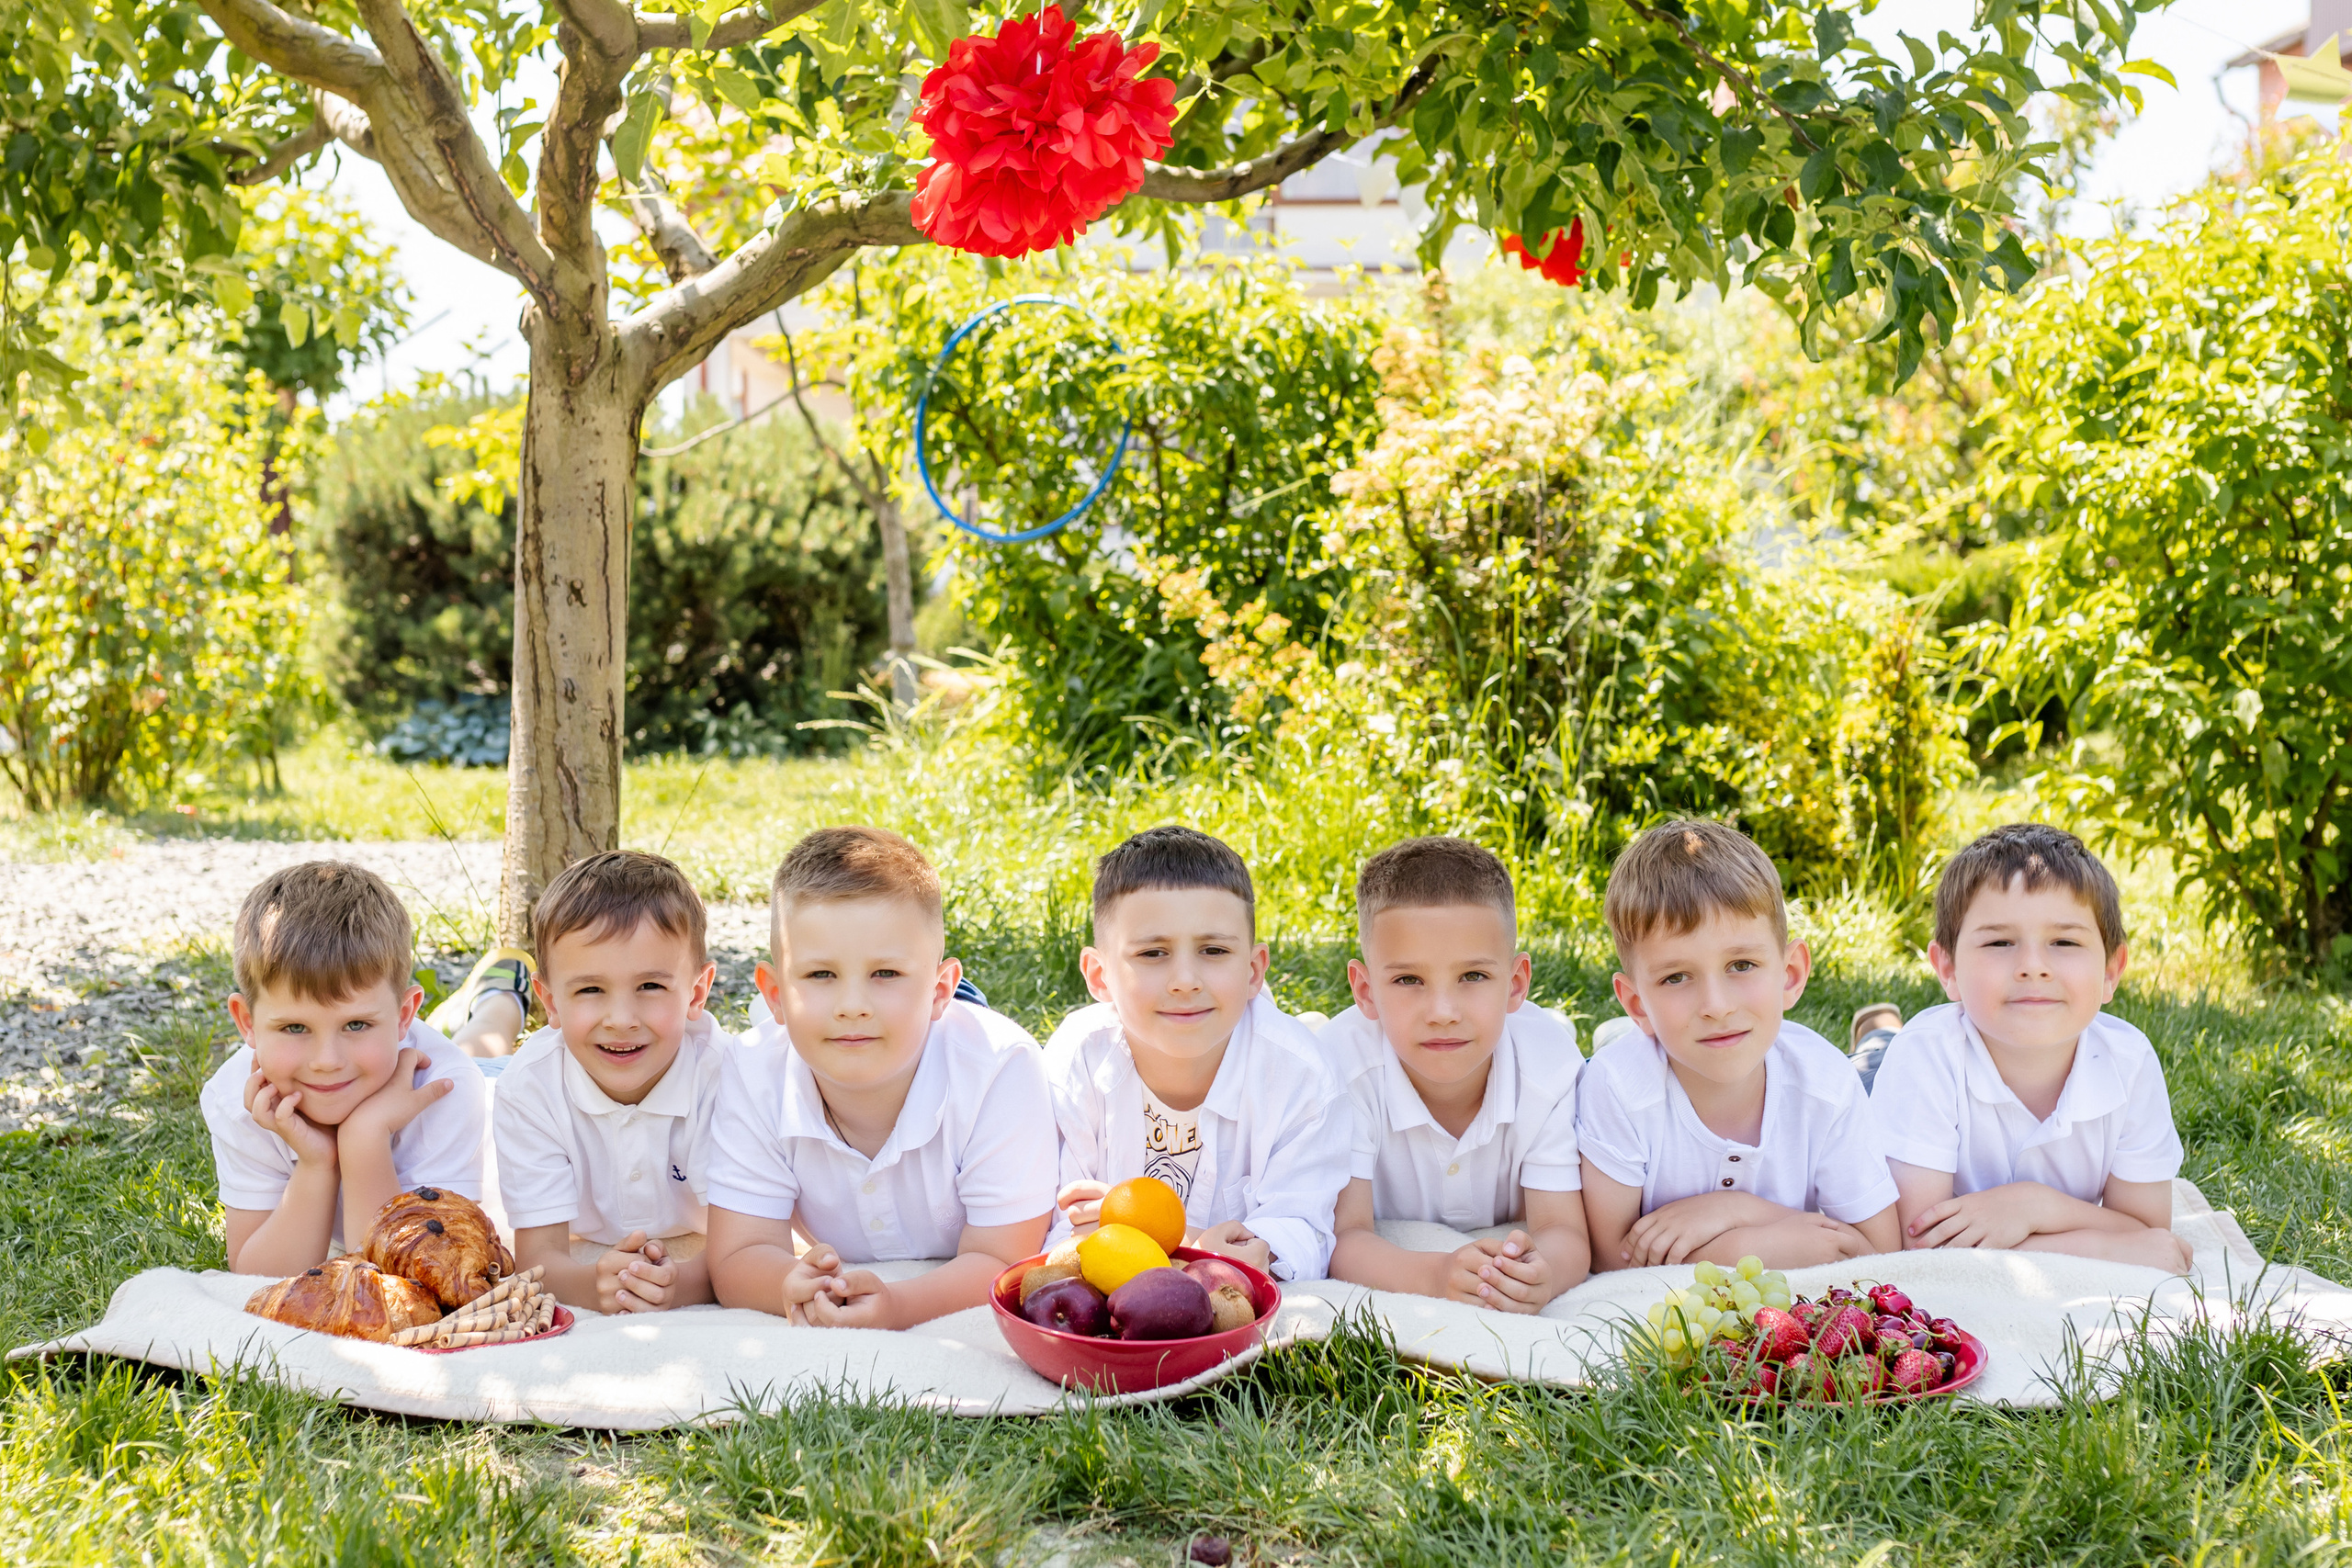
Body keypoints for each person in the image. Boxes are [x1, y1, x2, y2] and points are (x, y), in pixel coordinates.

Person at [705, 828, 1057, 1327]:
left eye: (885, 974)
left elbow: (1004, 1262)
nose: (852, 1007)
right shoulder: (753, 1071)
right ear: (775, 995)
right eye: (820, 976)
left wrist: (901, 1307)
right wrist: (791, 1285)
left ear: (939, 991)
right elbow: (739, 1254)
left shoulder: (1001, 1069)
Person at [1577, 819, 1901, 1270]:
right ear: (1638, 1003)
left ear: (1790, 975)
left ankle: (1881, 1031)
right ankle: (1619, 1033)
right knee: (1623, 1052)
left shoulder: (1828, 1086)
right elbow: (1610, 1258)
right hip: (1646, 1051)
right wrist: (1759, 1245)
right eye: (1676, 977)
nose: (1716, 1005)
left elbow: (1882, 1251)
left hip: (1846, 1070)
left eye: (1742, 965)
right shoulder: (1615, 1087)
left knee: (1878, 1063)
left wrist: (1737, 1210)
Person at [1871, 823, 2192, 1271]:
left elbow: (2148, 1232)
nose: (2033, 967)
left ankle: (1880, 1029)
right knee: (1875, 1060)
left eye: (2064, 942)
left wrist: (2033, 1206)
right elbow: (1915, 1245)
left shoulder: (2129, 1062)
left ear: (2111, 971)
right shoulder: (1923, 1058)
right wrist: (2096, 1242)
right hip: (1880, 1081)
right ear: (1947, 968)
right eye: (2000, 942)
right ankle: (1879, 1034)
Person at [1047, 826, 1351, 1281]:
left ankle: (1308, 1022)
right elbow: (1051, 1226)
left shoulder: (1301, 1077)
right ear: (1099, 975)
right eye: (1152, 953)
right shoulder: (1075, 1063)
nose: (1185, 980)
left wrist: (1262, 1252)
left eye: (1213, 950)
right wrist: (1185, 1243)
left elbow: (1307, 1228)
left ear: (1253, 970)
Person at [1323, 837, 1589, 1310]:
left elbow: (1564, 1231)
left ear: (1515, 983)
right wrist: (1435, 1273)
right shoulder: (1342, 1071)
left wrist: (1540, 1274)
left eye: (1473, 977)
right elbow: (1344, 1237)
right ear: (1364, 990)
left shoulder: (1550, 1070)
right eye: (1409, 980)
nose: (1442, 1012)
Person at [204, 862, 488, 1273]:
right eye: (295, 1027)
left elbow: (415, 1282)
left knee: (486, 1044)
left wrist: (363, 1140)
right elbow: (254, 1277)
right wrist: (318, 1164)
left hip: (492, 1084)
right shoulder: (237, 1097)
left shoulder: (447, 1089)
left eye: (356, 1024)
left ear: (403, 1014)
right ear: (247, 1022)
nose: (326, 1062)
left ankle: (496, 997)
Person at [492, 850, 731, 1313]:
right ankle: (497, 1000)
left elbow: (741, 1248)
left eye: (651, 987)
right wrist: (593, 1287)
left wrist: (679, 1286)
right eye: (590, 990)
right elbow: (539, 1262)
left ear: (696, 993)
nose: (621, 1020)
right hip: (492, 1080)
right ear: (552, 1003)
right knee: (478, 1060)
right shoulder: (529, 1089)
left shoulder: (725, 1078)